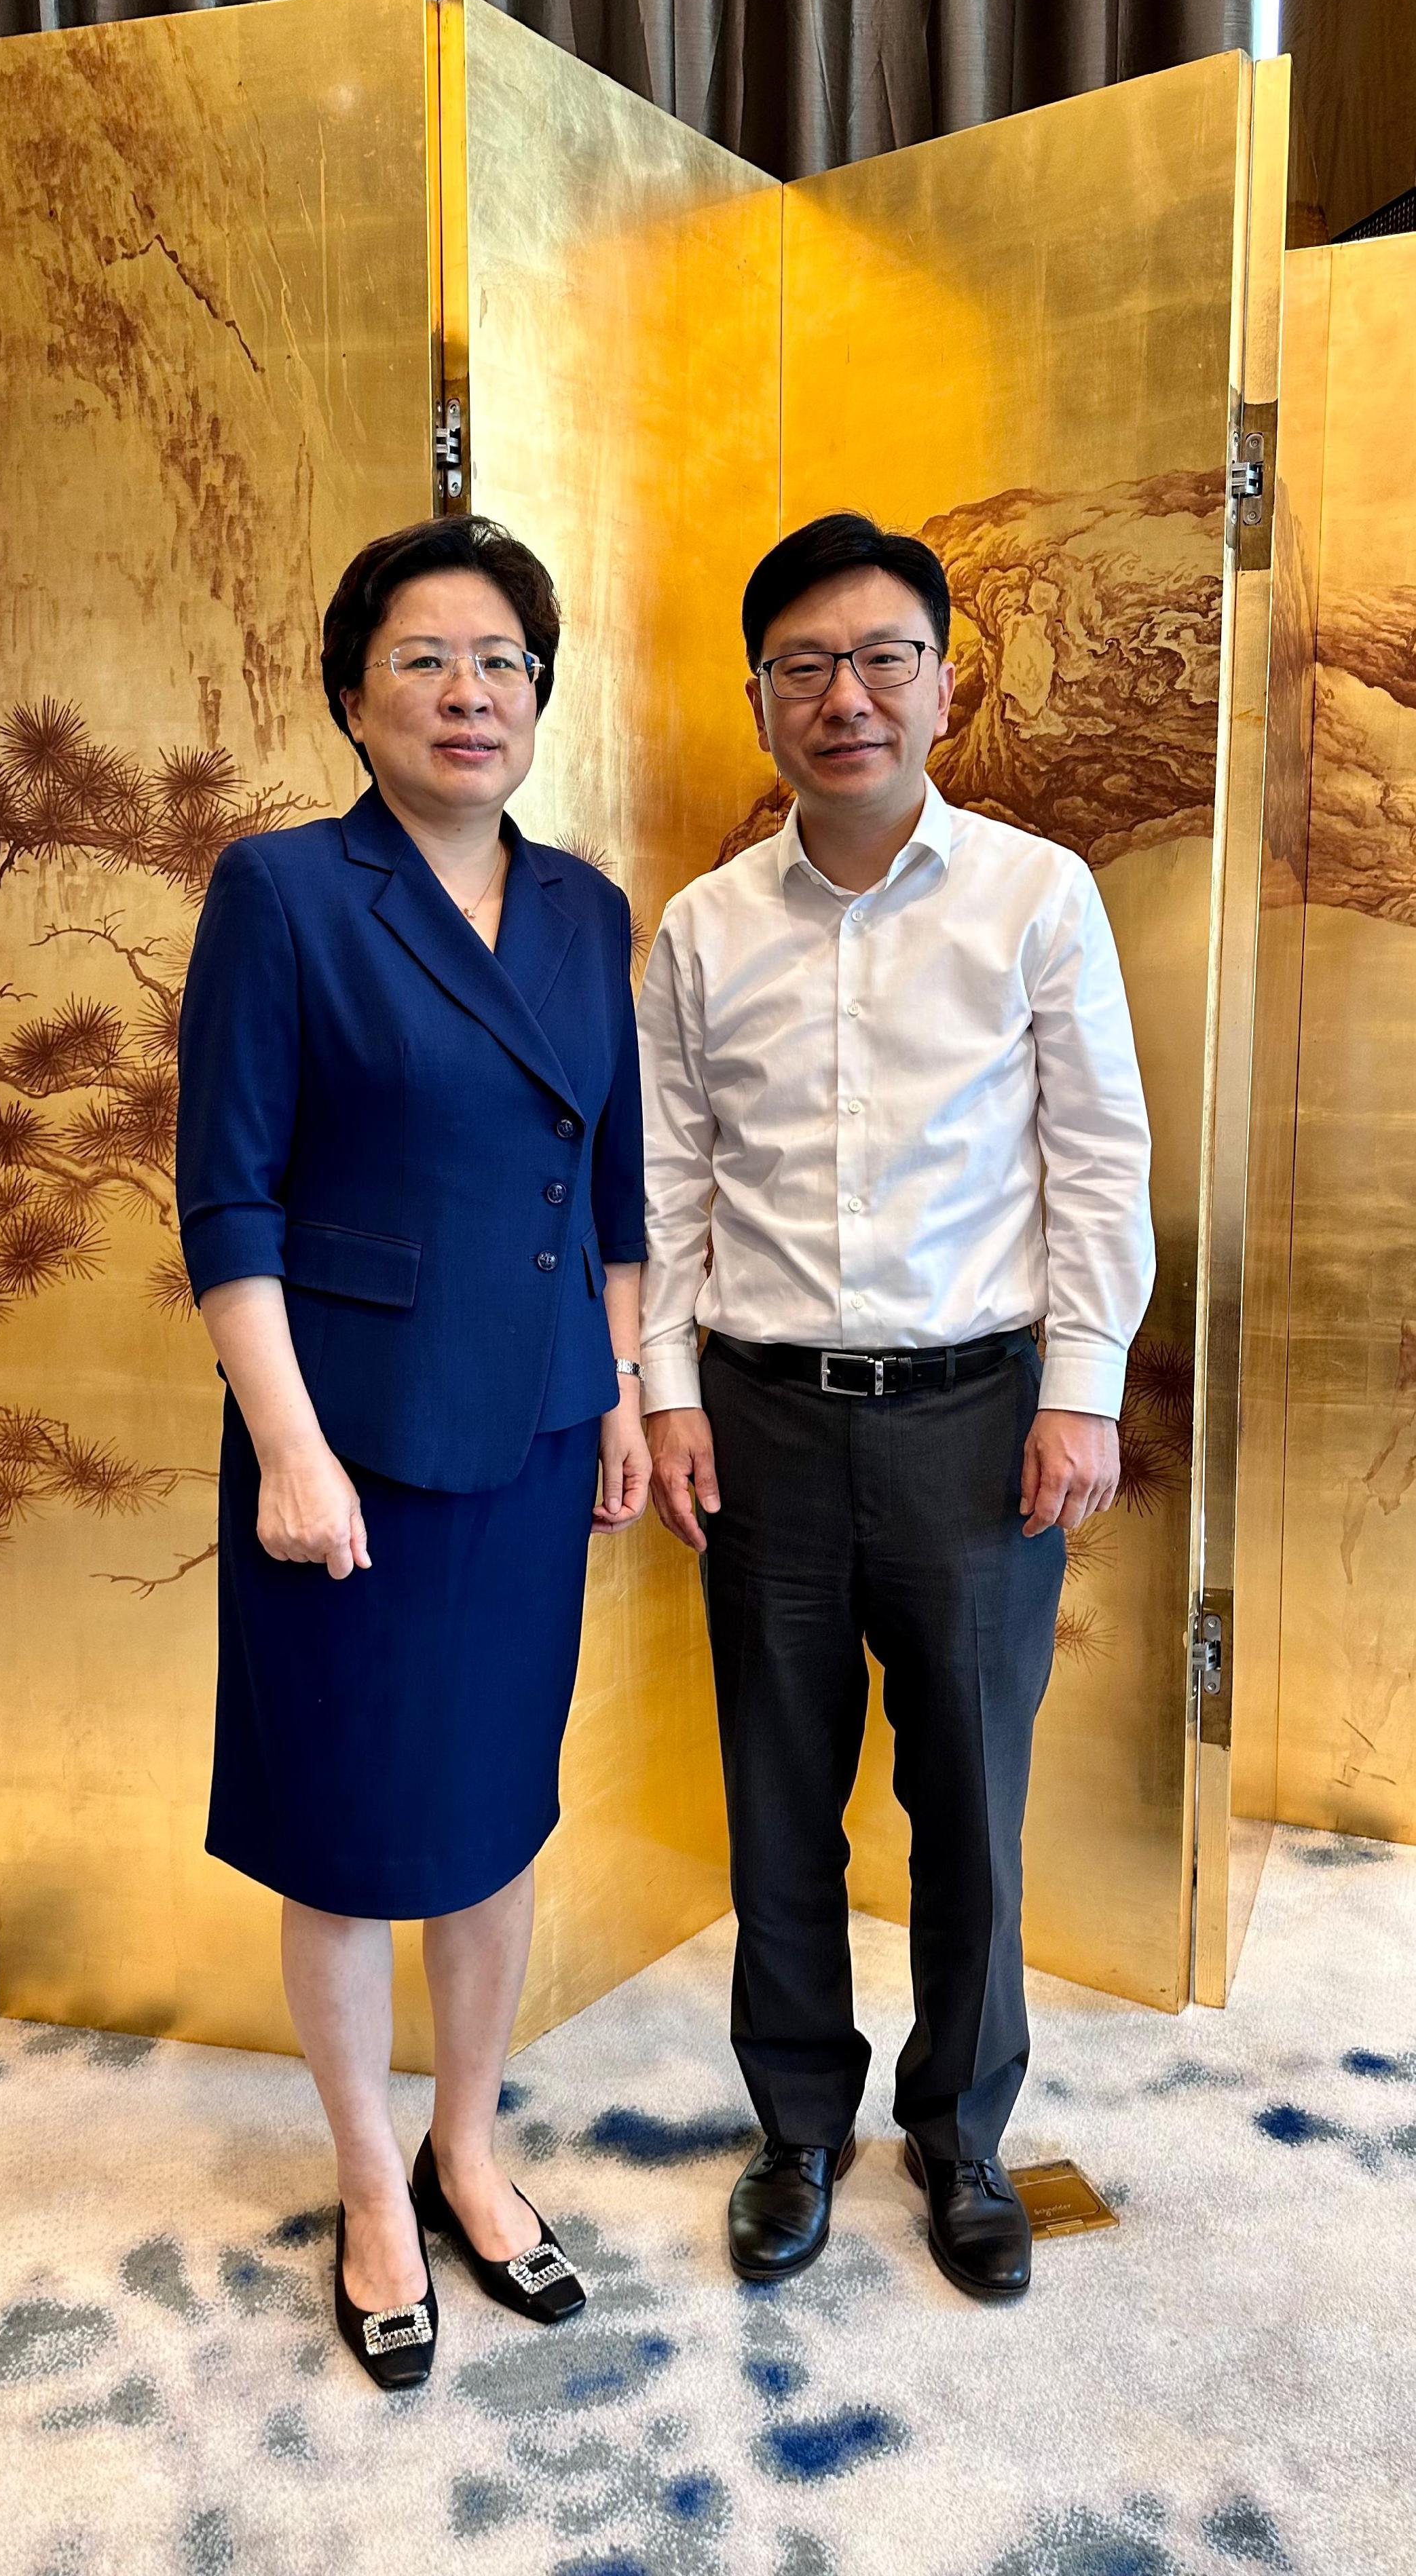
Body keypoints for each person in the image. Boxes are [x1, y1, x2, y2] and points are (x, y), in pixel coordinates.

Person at [637, 511, 1154, 2300]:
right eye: (802, 665)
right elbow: (669, 1182)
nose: (842, 697)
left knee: (970, 1798)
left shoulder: (1034, 892)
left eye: (879, 659)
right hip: (761, 1422)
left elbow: (1096, 1160)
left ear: (939, 680)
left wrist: (1078, 1394)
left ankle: (960, 2131)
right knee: (778, 1794)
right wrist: (669, 1388)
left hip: (974, 1418)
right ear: (760, 697)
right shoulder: (700, 931)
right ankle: (795, 2125)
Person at [175, 516, 650, 2390]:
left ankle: (470, 2137)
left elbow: (613, 1194)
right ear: (354, 696)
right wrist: (290, 1454)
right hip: (347, 1452)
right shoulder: (285, 892)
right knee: (353, 1834)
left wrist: (609, 1387)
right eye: (428, 660)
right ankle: (372, 2180)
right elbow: (229, 1203)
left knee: (490, 1821)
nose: (473, 695)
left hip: (530, 1435)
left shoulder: (587, 909)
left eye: (506, 664)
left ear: (540, 696)